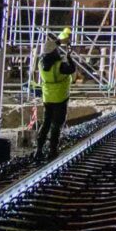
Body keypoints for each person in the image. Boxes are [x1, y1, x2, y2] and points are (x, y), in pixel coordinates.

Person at [34, 32, 76, 160]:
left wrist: (59, 41)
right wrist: (69, 57)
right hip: (60, 98)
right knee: (56, 124)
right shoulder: (60, 65)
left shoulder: (41, 63)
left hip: (47, 97)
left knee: (46, 122)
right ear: (54, 52)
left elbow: (51, 47)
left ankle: (39, 149)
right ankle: (53, 150)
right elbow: (72, 69)